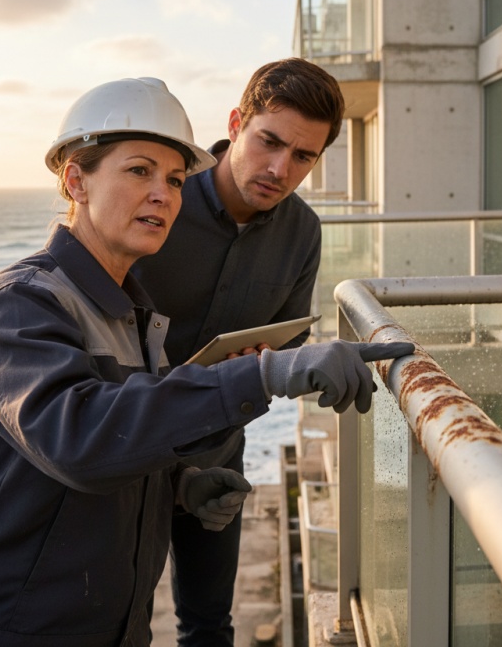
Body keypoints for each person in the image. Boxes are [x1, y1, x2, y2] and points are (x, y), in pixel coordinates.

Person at [0, 77, 413, 647]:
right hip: (6, 629)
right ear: (75, 180)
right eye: (139, 171)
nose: (163, 194)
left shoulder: (136, 316)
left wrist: (178, 486)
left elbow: (112, 438)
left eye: (175, 180)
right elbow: (82, 438)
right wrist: (263, 374)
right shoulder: (18, 305)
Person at [133, 58, 344, 647]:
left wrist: (257, 368)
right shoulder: (157, 204)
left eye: (303, 156)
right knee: (111, 623)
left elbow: (289, 339)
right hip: (125, 452)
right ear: (235, 123)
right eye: (269, 142)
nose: (280, 169)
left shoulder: (303, 232)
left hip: (217, 453)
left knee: (208, 623)